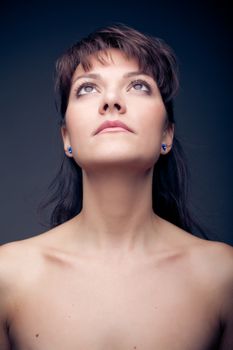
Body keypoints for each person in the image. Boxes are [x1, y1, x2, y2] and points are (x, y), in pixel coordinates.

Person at [0, 23, 232, 349]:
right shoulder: (7, 276)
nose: (111, 100)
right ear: (66, 138)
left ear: (167, 135)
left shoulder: (223, 277)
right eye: (87, 88)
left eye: (138, 85)